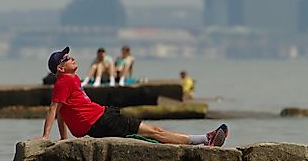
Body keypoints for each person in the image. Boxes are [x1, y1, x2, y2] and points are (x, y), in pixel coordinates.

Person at [43, 46, 228, 145]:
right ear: (60, 68)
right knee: (155, 132)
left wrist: (63, 140)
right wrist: (46, 136)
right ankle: (205, 139)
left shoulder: (71, 80)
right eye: (66, 58)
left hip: (102, 118)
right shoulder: (64, 82)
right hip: (101, 121)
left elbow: (62, 113)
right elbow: (54, 110)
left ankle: (202, 138)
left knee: (154, 132)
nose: (72, 58)